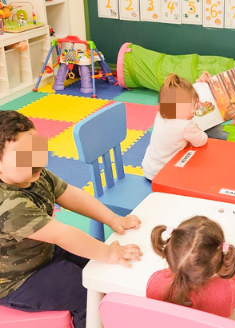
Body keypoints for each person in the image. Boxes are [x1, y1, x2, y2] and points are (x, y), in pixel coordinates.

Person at [0, 111, 143, 328]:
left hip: (44, 251)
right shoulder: (8, 204)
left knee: (101, 272)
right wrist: (109, 252)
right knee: (84, 292)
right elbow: (63, 235)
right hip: (17, 280)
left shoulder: (36, 175)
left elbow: (72, 195)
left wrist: (112, 219)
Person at [147, 216, 235, 317]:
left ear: (169, 255)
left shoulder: (156, 282)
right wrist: (223, 266)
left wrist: (178, 264)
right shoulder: (227, 292)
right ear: (218, 260)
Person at [142, 73, 208, 180]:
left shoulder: (160, 115)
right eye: (192, 106)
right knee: (199, 168)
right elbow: (202, 140)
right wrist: (197, 128)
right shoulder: (186, 126)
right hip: (165, 175)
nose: (194, 111)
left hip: (149, 170)